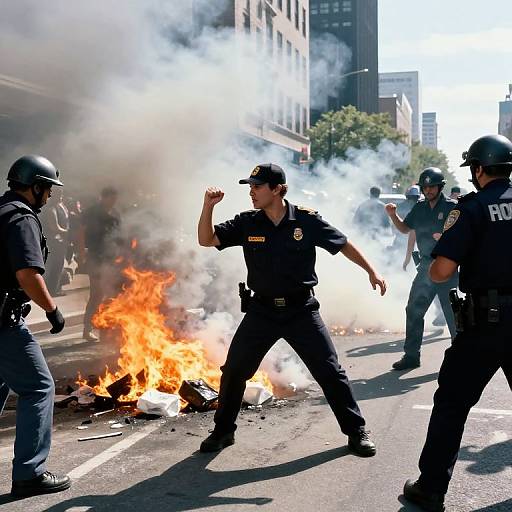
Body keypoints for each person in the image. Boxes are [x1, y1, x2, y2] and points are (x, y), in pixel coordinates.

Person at [197, 163, 387, 456]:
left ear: (277, 189)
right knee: (234, 371)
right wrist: (208, 206)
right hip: (262, 311)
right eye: (250, 186)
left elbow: (344, 244)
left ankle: (356, 431)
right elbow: (206, 239)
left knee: (330, 372)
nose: (251, 192)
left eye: (257, 187)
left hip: (301, 311)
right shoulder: (248, 222)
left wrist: (371, 271)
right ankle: (223, 431)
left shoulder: (307, 221)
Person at [402, 134, 512, 512]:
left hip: (485, 324)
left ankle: (430, 489)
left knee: (451, 404)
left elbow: (441, 270)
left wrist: (436, 264)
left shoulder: (470, 208)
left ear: (479, 170)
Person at [0, 155, 70, 497]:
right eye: (48, 189)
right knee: (39, 387)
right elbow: (28, 274)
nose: (51, 197)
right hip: (4, 325)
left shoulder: (1, 209)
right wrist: (52, 310)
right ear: (37, 186)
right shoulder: (21, 218)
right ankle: (29, 474)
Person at [386, 167, 457, 370]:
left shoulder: (452, 207)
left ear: (440, 186)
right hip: (426, 267)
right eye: (425, 187)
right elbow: (405, 228)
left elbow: (464, 235)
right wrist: (393, 215)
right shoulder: (419, 208)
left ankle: (460, 356)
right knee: (414, 310)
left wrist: (446, 238)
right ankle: (411, 356)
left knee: (453, 314)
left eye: (431, 186)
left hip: (447, 266)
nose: (428, 190)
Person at [79, 186, 121, 341]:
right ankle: (87, 329)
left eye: (115, 198)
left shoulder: (116, 214)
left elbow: (119, 236)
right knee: (96, 294)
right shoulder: (91, 212)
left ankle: (106, 329)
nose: (114, 201)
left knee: (112, 294)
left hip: (111, 259)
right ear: (103, 197)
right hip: (95, 257)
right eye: (111, 197)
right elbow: (81, 232)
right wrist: (81, 253)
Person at [41, 187, 69, 296]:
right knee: (54, 265)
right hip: (54, 241)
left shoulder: (60, 205)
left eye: (61, 195)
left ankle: (54, 288)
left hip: (60, 241)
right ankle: (52, 290)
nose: (60, 197)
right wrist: (68, 232)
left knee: (58, 265)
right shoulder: (50, 208)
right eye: (58, 195)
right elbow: (54, 227)